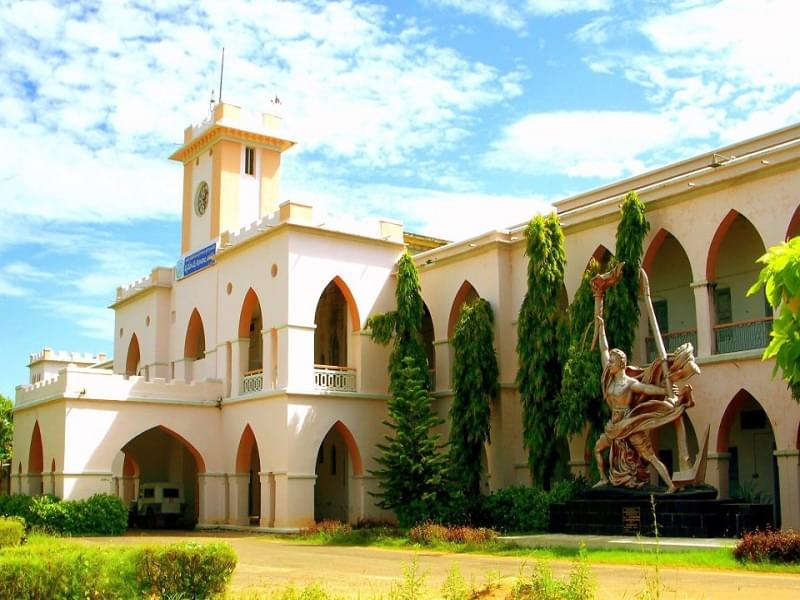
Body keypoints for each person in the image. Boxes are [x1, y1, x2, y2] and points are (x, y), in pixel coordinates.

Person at [592, 314, 694, 492]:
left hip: (629, 423)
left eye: (612, 362)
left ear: (622, 364)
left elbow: (648, 389)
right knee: (598, 449)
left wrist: (665, 391)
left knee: (650, 456)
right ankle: (602, 478)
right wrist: (601, 330)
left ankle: (671, 485)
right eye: (609, 361)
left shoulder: (631, 384)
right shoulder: (609, 380)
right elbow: (603, 350)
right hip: (614, 425)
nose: (609, 364)